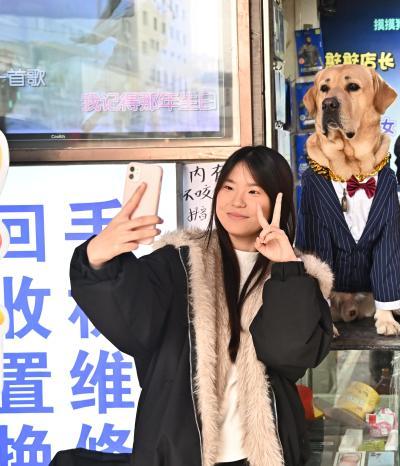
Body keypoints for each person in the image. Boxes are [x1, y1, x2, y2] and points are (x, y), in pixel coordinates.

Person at [69, 146, 334, 466]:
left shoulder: (298, 277)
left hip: (262, 454)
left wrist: (286, 267)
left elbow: (289, 355)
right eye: (228, 187)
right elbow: (131, 326)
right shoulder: (179, 262)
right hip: (181, 452)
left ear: (279, 201)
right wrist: (97, 257)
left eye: (253, 191)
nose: (237, 201)